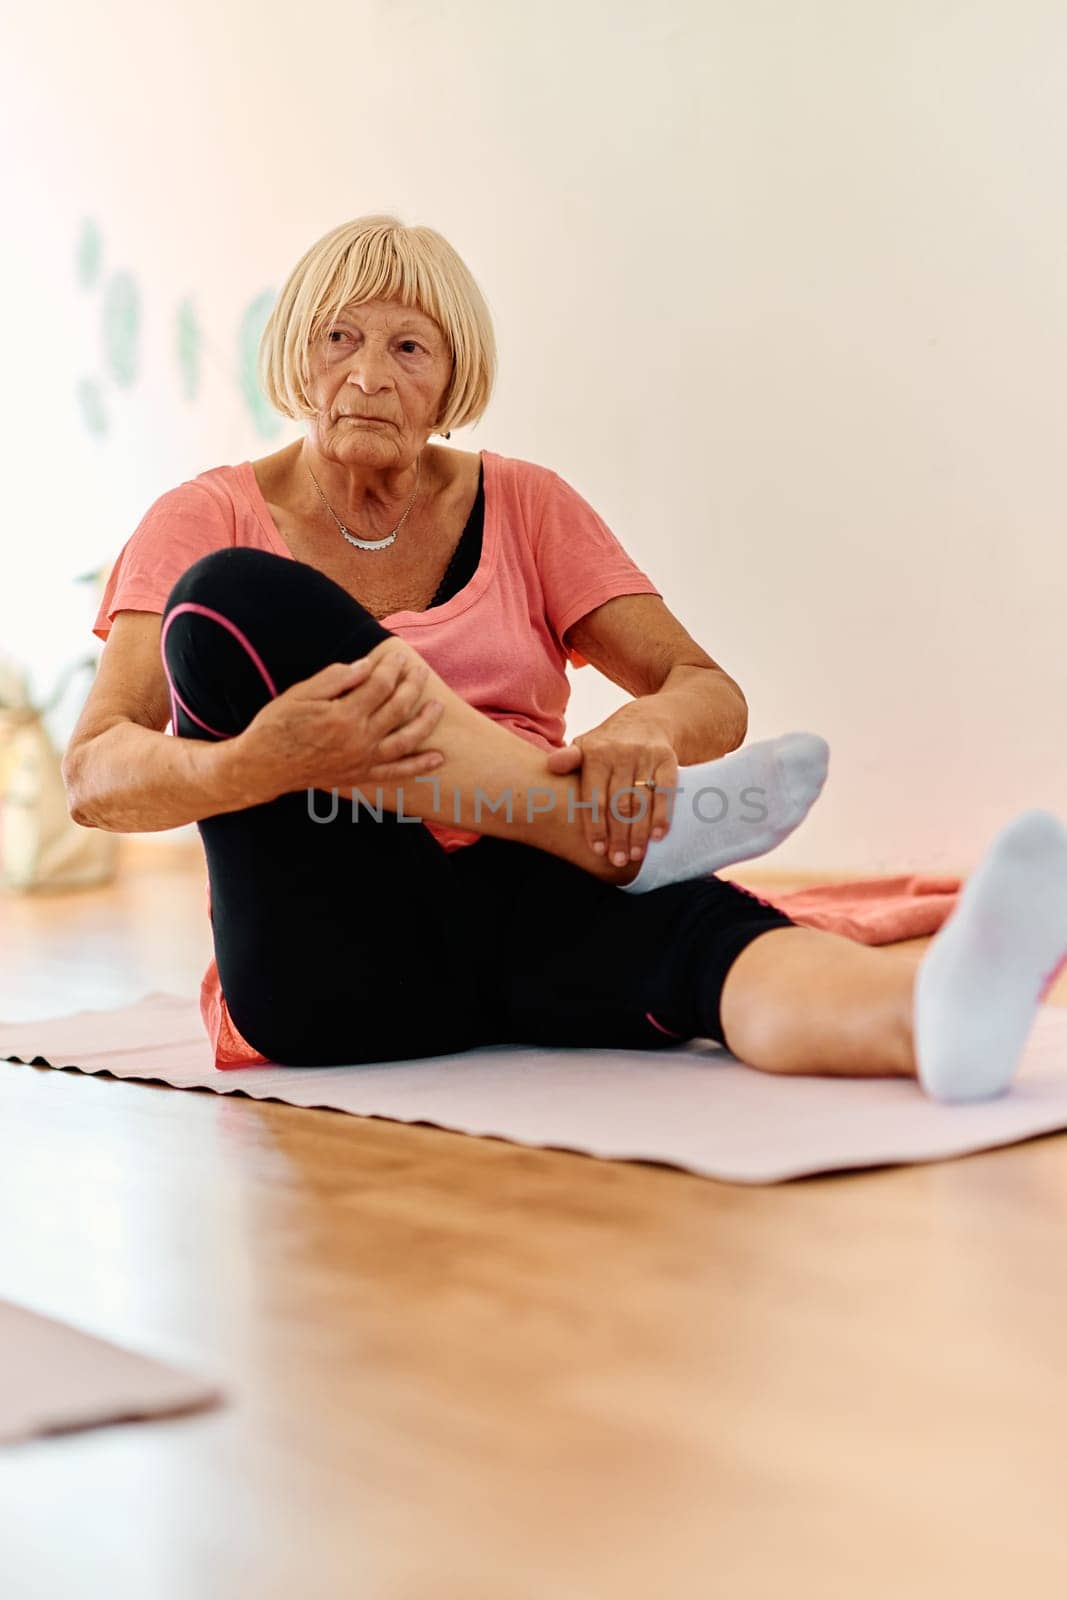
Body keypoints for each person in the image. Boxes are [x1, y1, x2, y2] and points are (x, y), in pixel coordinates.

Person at [63, 214, 1067, 1098]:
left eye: (409, 347)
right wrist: (252, 765)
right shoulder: (203, 515)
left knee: (705, 940)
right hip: (331, 956)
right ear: (295, 354)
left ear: (453, 379)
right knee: (226, 598)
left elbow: (705, 691)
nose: (367, 374)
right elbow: (99, 773)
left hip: (522, 900)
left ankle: (925, 1016)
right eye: (339, 338)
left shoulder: (529, 503)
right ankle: (574, 822)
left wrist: (640, 730)